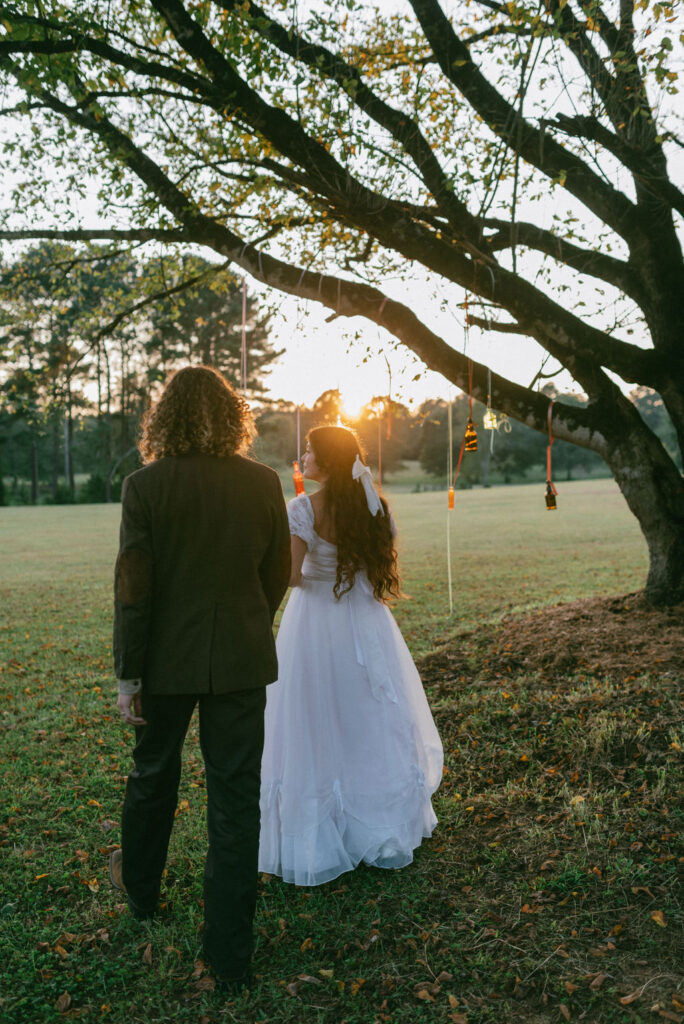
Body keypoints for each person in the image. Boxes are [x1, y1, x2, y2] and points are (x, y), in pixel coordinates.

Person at [110, 365, 290, 989]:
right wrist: (246, 625)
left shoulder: (144, 485)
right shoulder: (264, 482)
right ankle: (229, 957)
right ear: (231, 416)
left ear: (165, 418)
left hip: (162, 663)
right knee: (235, 800)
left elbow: (134, 588)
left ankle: (140, 893)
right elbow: (276, 575)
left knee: (153, 774)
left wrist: (129, 675)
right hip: (240, 660)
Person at [259, 425, 443, 886]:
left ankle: (326, 827)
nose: (303, 454)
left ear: (327, 459)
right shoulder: (374, 505)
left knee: (316, 715)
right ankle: (379, 819)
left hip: (316, 621)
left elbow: (293, 576)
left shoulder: (302, 508)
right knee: (369, 715)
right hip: (367, 619)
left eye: (309, 449)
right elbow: (376, 563)